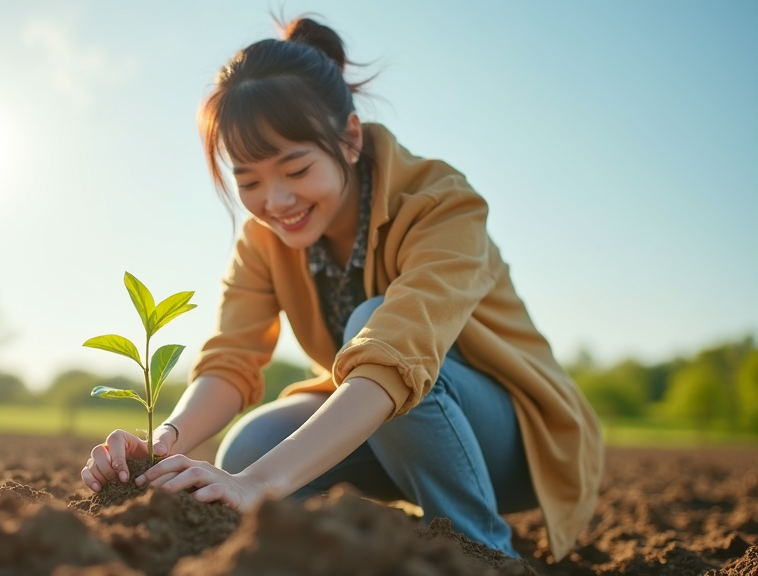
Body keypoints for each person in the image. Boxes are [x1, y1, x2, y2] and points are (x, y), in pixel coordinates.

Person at [81, 17, 603, 559]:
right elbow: (231, 361)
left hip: (511, 446)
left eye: (296, 168)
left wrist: (261, 482)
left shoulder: (441, 202)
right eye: (250, 181)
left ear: (350, 139)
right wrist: (165, 439)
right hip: (392, 434)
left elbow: (396, 353)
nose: (277, 201)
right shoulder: (264, 241)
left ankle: (485, 554)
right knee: (248, 448)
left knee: (369, 326)